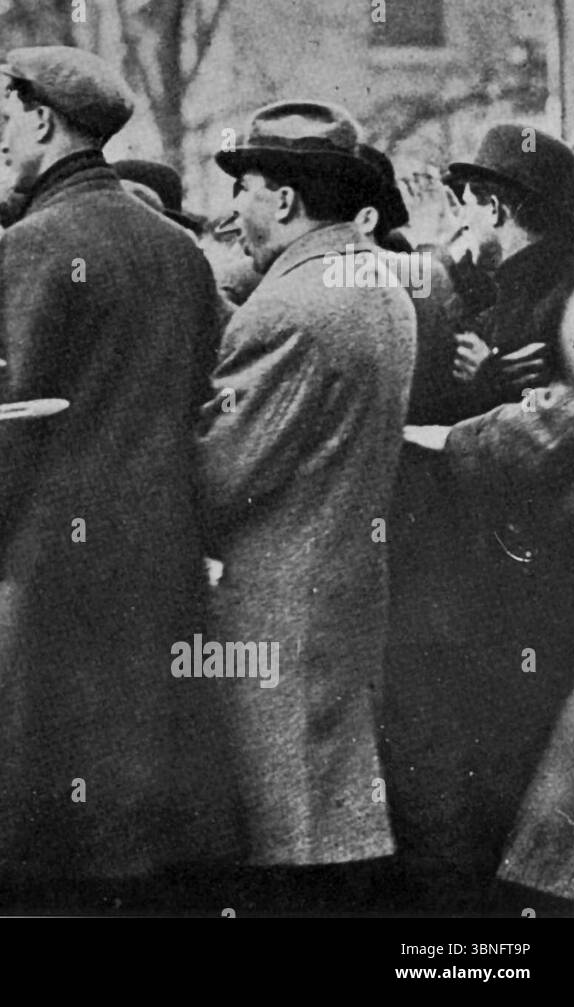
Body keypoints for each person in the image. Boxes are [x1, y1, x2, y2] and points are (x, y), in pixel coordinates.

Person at [0, 45, 238, 912]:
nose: (1, 138)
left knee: (21, 847)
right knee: (134, 847)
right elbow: (202, 402)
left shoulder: (34, 243)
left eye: (7, 117)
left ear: (42, 120)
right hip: (158, 571)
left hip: (46, 581)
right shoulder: (179, 252)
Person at [196, 100, 416, 915]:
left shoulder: (288, 308)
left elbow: (218, 475)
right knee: (332, 831)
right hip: (344, 597)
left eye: (243, 187)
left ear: (284, 199)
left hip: (275, 617)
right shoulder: (378, 285)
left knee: (292, 848)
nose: (233, 209)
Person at [393, 125, 574, 914]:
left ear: (497, 207)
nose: (464, 223)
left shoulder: (549, 300)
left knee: (510, 766)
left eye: (470, 206)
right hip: (530, 575)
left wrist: (487, 387)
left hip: (525, 578)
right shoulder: (541, 284)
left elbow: (551, 427)